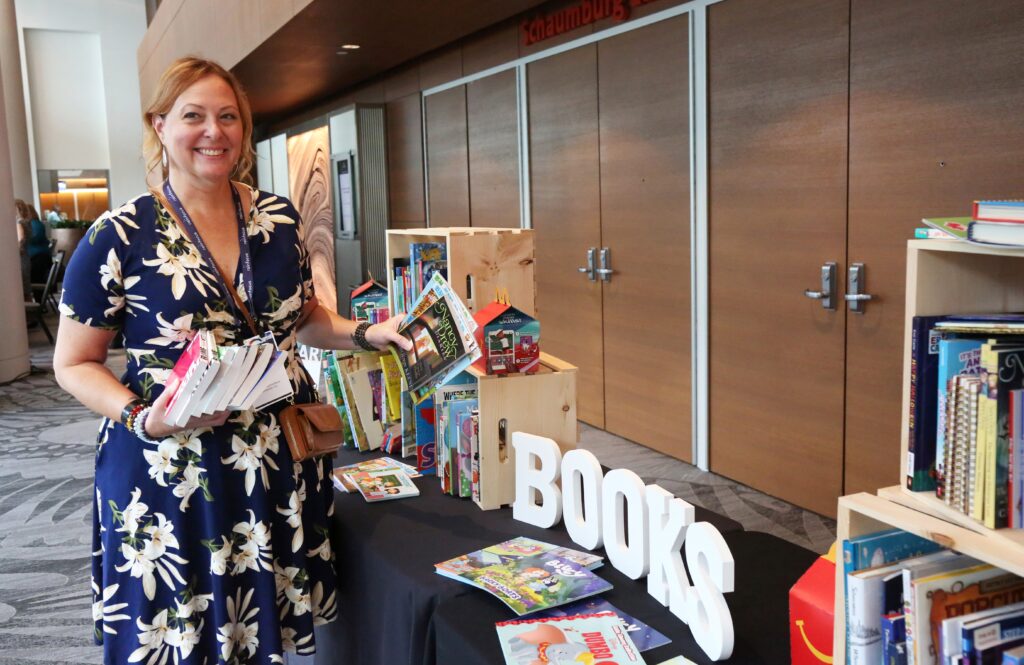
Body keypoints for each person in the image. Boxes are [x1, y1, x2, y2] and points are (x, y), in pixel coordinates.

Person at [52, 56, 411, 664]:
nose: (214, 132)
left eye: (228, 117)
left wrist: (367, 334)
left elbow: (301, 317)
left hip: (273, 459)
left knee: (254, 625)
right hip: (172, 468)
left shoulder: (277, 219)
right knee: (181, 631)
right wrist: (145, 417)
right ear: (160, 124)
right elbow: (73, 363)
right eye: (194, 116)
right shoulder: (120, 234)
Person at [16, 199, 51, 284]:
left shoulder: (30, 224)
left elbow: (29, 239)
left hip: (37, 258)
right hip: (43, 256)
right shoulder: (38, 223)